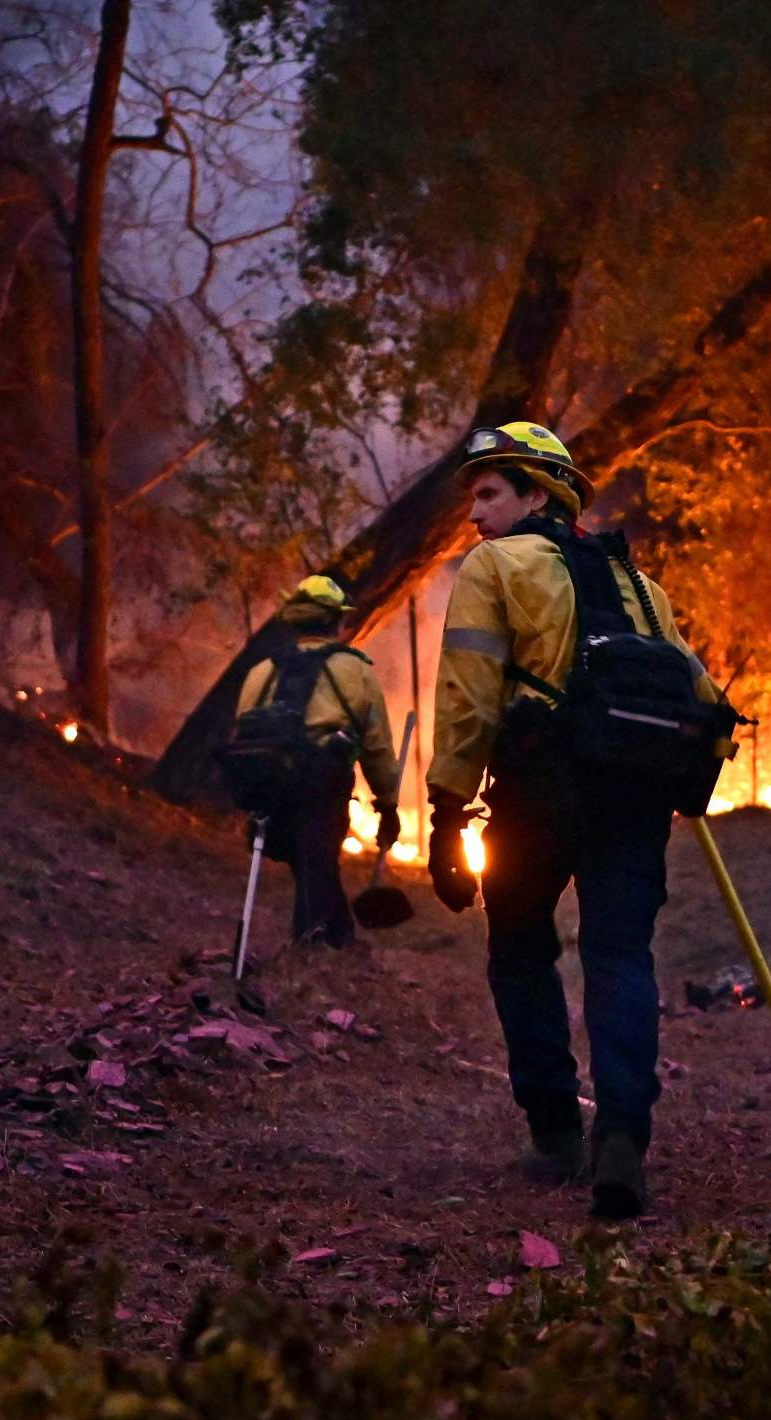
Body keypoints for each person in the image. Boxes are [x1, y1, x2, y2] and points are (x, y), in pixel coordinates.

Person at [425, 421, 727, 1219]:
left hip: (538, 791)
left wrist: (447, 810)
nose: (476, 513)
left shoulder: (494, 565)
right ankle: (623, 1136)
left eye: (490, 492)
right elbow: (704, 697)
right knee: (621, 956)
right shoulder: (640, 584)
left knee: (522, 950)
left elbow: (467, 695)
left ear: (539, 493)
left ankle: (557, 1132)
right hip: (635, 795)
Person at [234, 575, 402, 949]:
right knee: (318, 862)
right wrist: (387, 804)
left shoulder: (261, 672)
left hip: (269, 786)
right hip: (321, 785)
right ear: (335, 621)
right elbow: (376, 747)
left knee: (314, 865)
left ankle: (337, 940)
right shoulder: (354, 670)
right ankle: (316, 945)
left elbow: (243, 735)